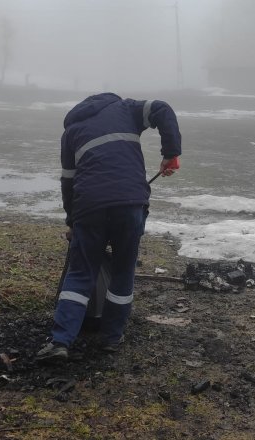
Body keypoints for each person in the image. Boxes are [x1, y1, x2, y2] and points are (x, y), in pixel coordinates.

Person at [37, 93, 181, 361]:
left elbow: (68, 183)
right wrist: (171, 153)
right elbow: (162, 109)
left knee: (80, 273)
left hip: (89, 208)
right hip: (130, 204)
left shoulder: (71, 132)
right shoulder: (125, 109)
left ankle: (61, 341)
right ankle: (112, 338)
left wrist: (72, 221)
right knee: (123, 270)